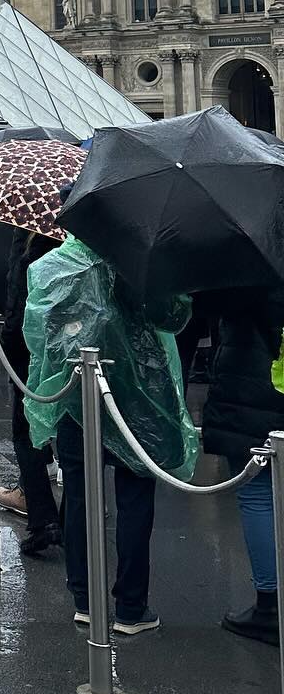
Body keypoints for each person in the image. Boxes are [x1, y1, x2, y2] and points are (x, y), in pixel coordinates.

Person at [25, 235, 196, 635]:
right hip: (143, 396)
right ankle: (131, 606)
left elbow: (40, 334)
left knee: (81, 496)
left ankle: (85, 598)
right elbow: (172, 318)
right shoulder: (143, 260)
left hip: (77, 393)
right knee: (136, 496)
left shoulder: (52, 266)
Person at [198, 285, 284, 646]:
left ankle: (271, 605)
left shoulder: (248, 255)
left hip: (255, 385)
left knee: (258, 495)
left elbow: (212, 302)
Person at [0, 230, 62, 555]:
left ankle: (42, 517)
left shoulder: (27, 240)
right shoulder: (81, 234)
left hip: (28, 347)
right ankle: (75, 518)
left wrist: (7, 343)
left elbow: (16, 300)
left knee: (25, 432)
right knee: (73, 432)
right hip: (71, 347)